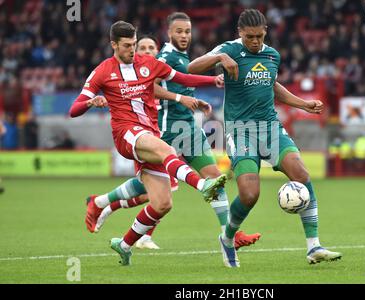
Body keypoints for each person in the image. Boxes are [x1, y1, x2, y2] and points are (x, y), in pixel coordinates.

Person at [189, 9, 342, 267]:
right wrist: (221, 57)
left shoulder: (272, 55)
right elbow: (191, 67)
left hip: (270, 128)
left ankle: (313, 246)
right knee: (250, 195)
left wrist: (302, 104)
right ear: (240, 33)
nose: (256, 42)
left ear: (266, 32)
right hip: (240, 130)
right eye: (250, 37)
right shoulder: (230, 49)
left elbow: (272, 85)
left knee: (302, 174)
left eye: (260, 36)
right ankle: (227, 238)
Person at [69, 21, 228, 266]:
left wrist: (214, 80)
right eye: (127, 46)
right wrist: (91, 102)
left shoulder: (149, 65)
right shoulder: (103, 71)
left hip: (149, 133)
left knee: (162, 204)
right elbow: (74, 109)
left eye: (134, 45)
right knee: (168, 150)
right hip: (126, 134)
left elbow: (183, 78)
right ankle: (203, 186)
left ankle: (123, 244)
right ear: (113, 45)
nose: (132, 51)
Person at [91, 29, 260, 251]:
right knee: (153, 192)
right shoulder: (161, 60)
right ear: (170, 33)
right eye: (180, 31)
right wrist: (180, 97)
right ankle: (105, 204)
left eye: (189, 31)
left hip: (187, 128)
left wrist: (209, 83)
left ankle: (229, 234)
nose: (185, 35)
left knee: (213, 179)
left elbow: (183, 79)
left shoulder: (180, 57)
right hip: (162, 130)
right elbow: (151, 87)